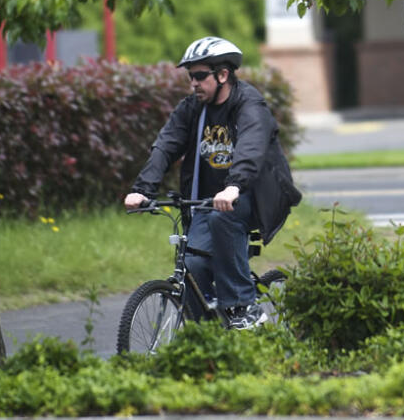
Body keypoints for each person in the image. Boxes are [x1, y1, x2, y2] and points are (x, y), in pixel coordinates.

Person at [124, 36, 302, 329]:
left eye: (200, 76)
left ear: (223, 75)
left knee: (224, 219)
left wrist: (233, 186)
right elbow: (166, 145)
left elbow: (251, 148)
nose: (193, 83)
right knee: (193, 263)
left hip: (253, 195)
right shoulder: (193, 108)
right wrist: (142, 189)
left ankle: (244, 307)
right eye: (190, 76)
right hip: (208, 201)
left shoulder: (249, 104)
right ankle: (209, 334)